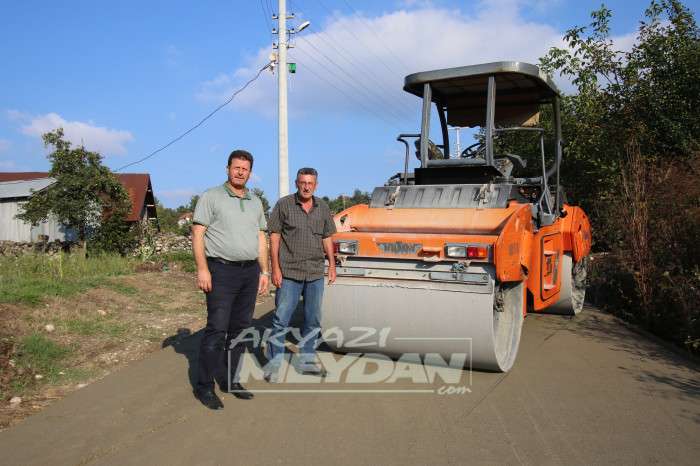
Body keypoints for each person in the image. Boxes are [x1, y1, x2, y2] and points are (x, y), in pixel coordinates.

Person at [191, 150, 269, 410]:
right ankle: (204, 386)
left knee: (240, 330)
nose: (240, 172)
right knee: (217, 329)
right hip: (221, 271)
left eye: (245, 169)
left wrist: (264, 271)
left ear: (250, 172)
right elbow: (198, 234)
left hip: (249, 273)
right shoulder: (211, 196)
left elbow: (260, 238)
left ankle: (230, 380)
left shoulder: (255, 201)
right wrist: (202, 269)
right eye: (236, 167)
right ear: (227, 169)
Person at [266, 167, 336, 381]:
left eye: (310, 183)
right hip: (289, 272)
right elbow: (274, 238)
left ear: (316, 185)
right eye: (303, 182)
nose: (306, 187)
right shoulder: (284, 205)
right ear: (296, 183)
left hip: (315, 273)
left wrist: (332, 265)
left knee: (313, 320)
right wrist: (275, 268)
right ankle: (273, 365)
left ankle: (307, 361)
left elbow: (327, 238)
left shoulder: (323, 207)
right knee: (281, 319)